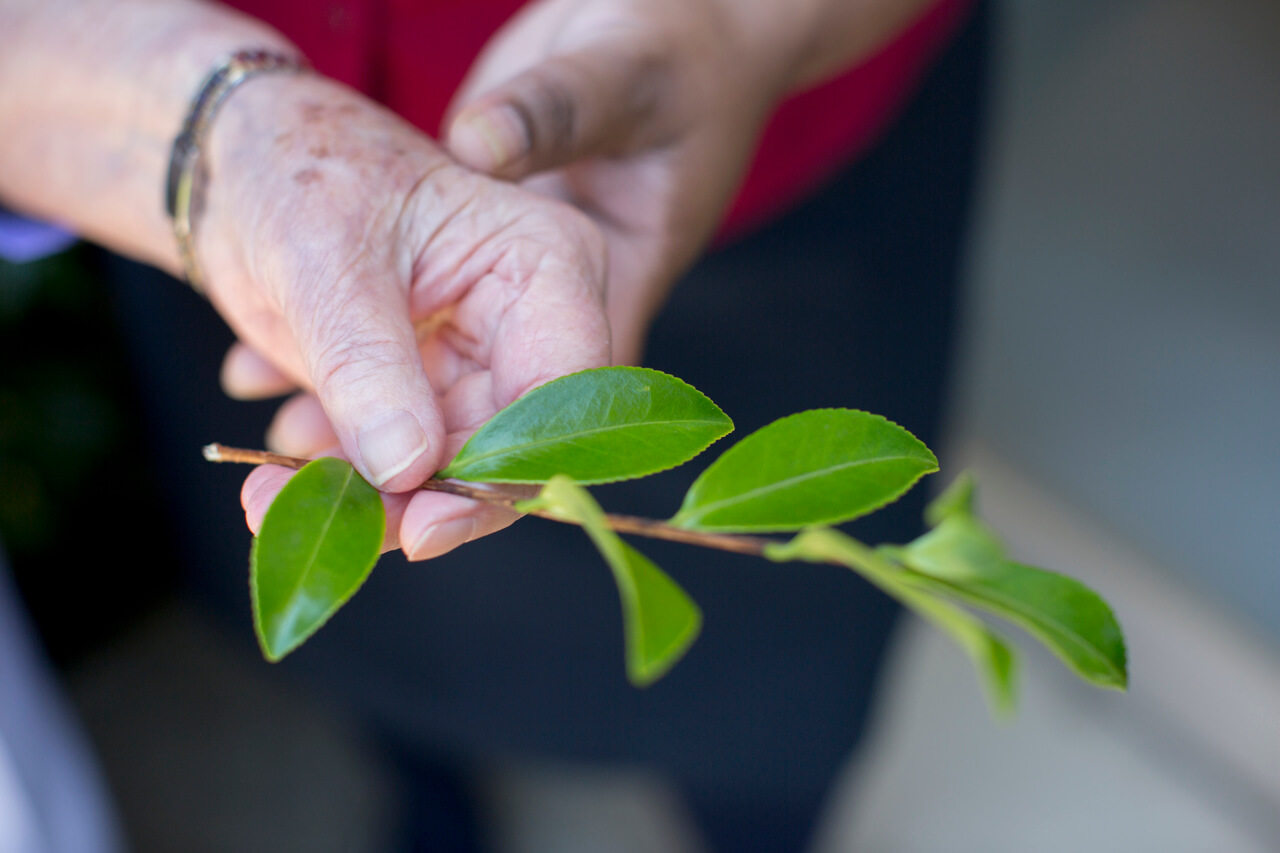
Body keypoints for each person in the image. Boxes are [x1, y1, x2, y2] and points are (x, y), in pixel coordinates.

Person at [2, 0, 988, 848]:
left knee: (769, 705)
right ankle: (427, 799)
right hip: (245, 231)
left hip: (729, 159)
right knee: (382, 632)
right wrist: (197, 132)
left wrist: (736, 24)